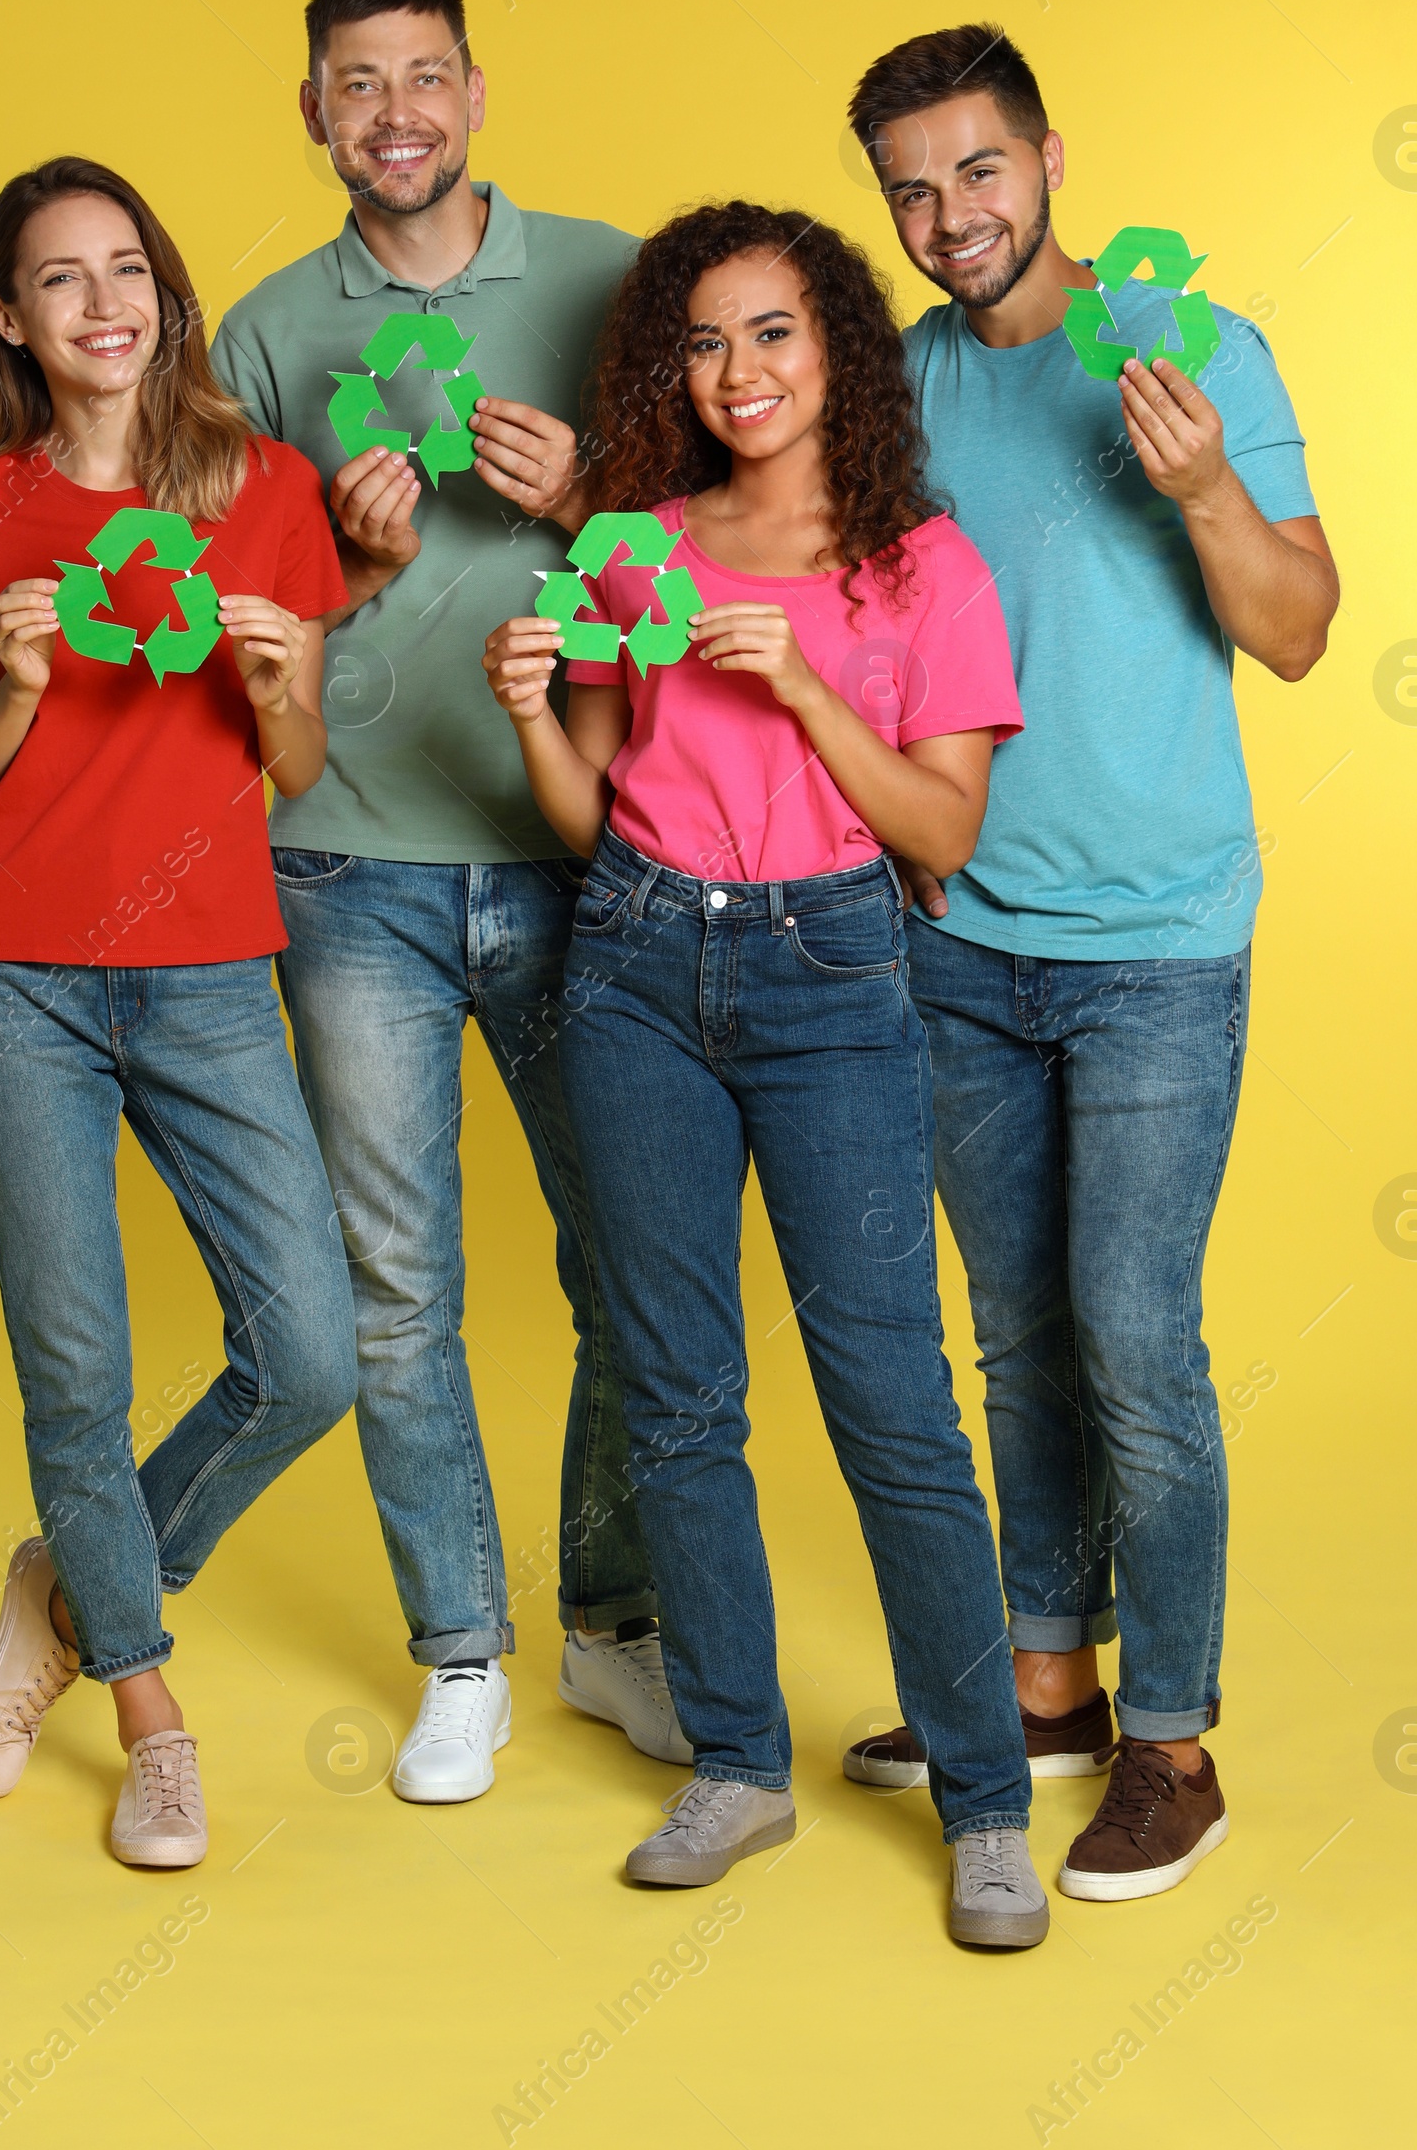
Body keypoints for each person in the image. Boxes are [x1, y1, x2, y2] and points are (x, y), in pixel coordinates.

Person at [482, 201, 1050, 1949]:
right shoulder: (631, 549)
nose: (741, 374)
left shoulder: (920, 568)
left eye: (776, 334)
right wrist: (526, 705)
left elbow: (943, 833)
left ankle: (986, 1803)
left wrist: (807, 687)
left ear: (841, 355)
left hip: (834, 972)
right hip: (640, 964)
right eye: (708, 342)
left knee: (890, 1403)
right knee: (674, 1387)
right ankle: (736, 1758)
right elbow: (582, 816)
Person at [841, 25, 1337, 1900]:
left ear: (1050, 156)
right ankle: (1046, 1679)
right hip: (956, 934)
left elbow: (1297, 633)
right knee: (1020, 1337)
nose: (949, 215)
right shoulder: (893, 388)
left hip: (1155, 946)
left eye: (977, 171)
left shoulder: (1191, 350)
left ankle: (1174, 1738)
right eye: (910, 188)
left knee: (1138, 1339)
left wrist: (1205, 488)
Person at [210, 0, 682, 1804]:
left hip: (591, 853)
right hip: (350, 872)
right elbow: (222, 636)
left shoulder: (612, 281)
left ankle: (610, 1621)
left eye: (426, 76)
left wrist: (583, 502)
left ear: (475, 92)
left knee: (631, 1260)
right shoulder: (260, 335)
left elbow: (721, 538)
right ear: (314, 111)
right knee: (396, 1286)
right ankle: (461, 1651)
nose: (393, 111)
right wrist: (340, 560)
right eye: (355, 82)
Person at [0, 156, 359, 1866]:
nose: (103, 305)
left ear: (163, 293)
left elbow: (292, 768)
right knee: (73, 1363)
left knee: (310, 1354)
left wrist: (275, 681)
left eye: (126, 270)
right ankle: (148, 1707)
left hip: (213, 971)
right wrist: (15, 683)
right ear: (12, 320)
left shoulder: (268, 492)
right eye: (59, 281)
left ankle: (69, 1590)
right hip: (13, 979)